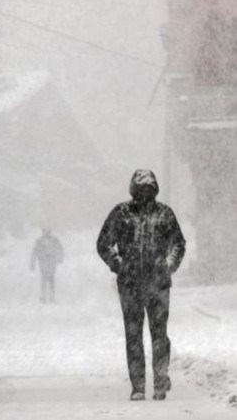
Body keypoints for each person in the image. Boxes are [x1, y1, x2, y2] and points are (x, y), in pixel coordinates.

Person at [96, 169, 186, 402]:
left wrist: (168, 266)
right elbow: (103, 243)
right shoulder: (121, 213)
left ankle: (160, 380)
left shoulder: (165, 214)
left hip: (158, 283)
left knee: (159, 334)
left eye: (149, 187)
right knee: (134, 336)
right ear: (134, 189)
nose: (145, 192)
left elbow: (178, 243)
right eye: (141, 188)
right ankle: (138, 386)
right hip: (130, 285)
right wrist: (119, 264)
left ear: (154, 189)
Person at [30, 228, 64, 303]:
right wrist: (60, 258)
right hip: (49, 262)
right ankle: (49, 297)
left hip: (44, 262)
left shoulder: (40, 241)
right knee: (50, 279)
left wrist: (32, 263)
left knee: (45, 279)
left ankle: (45, 297)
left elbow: (34, 252)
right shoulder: (53, 240)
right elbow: (60, 249)